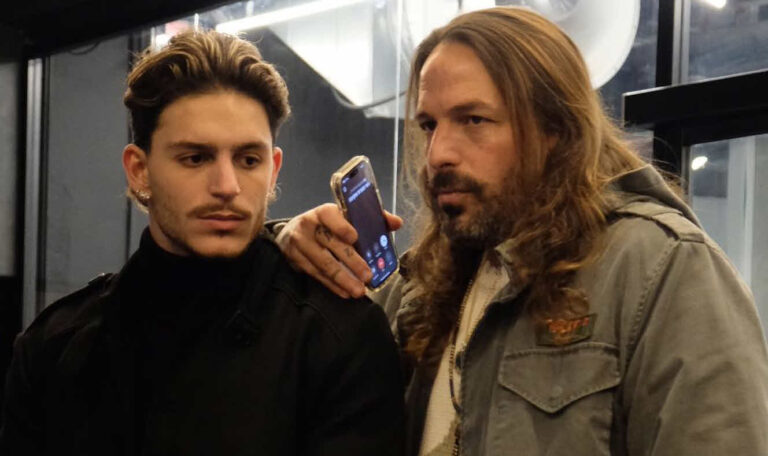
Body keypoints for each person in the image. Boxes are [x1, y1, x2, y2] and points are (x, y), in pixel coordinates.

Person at [273, 7, 768, 456]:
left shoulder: (661, 269)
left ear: (556, 130)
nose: (438, 154)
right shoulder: (421, 288)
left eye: (473, 119)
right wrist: (284, 244)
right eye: (429, 125)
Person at [0, 30, 405, 456]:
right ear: (139, 171)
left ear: (272, 170)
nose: (227, 186)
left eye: (248, 160)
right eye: (195, 158)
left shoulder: (337, 338)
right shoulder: (54, 347)